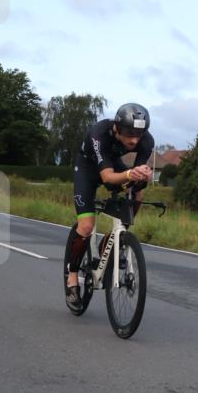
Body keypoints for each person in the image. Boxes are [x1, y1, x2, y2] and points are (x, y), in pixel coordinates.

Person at [65, 103, 154, 313]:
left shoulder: (147, 141)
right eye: (129, 134)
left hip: (112, 165)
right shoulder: (99, 133)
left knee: (139, 189)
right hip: (88, 169)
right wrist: (131, 174)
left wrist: (140, 177)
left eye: (139, 134)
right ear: (117, 127)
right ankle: (72, 277)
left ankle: (119, 237)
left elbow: (136, 175)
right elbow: (106, 177)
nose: (134, 140)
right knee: (86, 227)